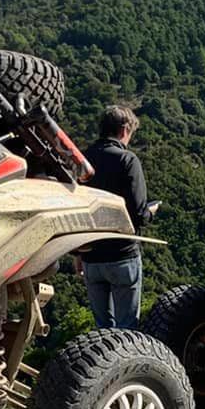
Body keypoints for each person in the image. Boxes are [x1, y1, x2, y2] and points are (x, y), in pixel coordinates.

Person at [82, 104, 151, 327]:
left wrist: (76, 253)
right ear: (124, 130)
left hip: (90, 256)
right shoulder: (127, 160)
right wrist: (150, 212)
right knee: (127, 329)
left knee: (103, 328)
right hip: (122, 255)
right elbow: (138, 214)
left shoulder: (82, 159)